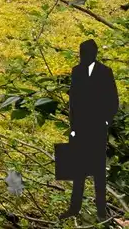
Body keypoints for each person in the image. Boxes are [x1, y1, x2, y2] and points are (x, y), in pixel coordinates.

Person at [66, 39, 118, 218]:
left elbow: (113, 100)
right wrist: (72, 127)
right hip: (79, 128)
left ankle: (102, 211)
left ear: (93, 54)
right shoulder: (76, 71)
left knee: (98, 170)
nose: (83, 57)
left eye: (86, 53)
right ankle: (74, 208)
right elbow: (72, 101)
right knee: (78, 170)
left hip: (97, 128)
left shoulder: (105, 72)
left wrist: (105, 122)